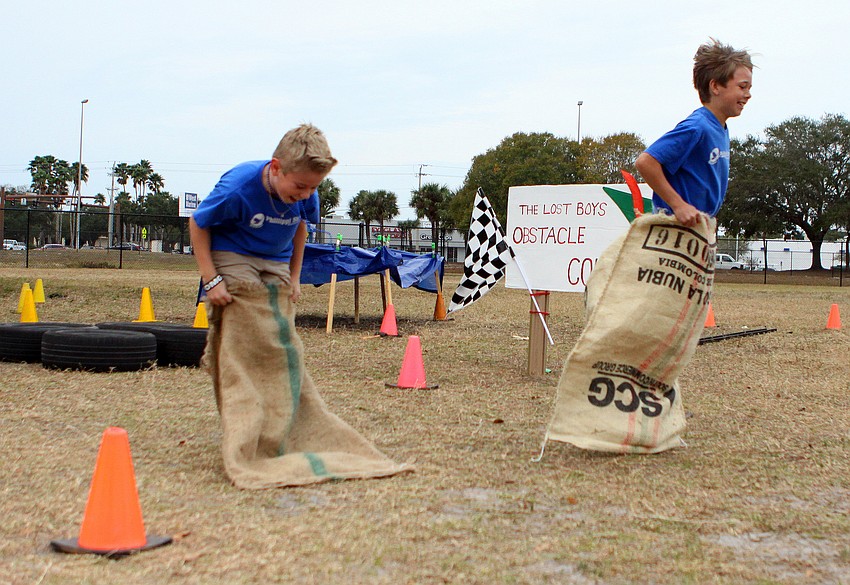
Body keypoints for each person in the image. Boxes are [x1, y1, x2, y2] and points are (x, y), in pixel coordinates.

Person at [189, 124, 337, 305]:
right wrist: (211, 279)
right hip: (235, 252)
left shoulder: (306, 194)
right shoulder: (237, 187)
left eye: (313, 187)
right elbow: (197, 222)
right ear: (276, 167)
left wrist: (294, 276)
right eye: (300, 186)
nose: (306, 194)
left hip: (277, 258)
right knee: (248, 313)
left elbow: (300, 226)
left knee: (279, 324)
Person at [635, 39, 753, 227]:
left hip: (697, 230)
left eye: (749, 88)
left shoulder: (720, 128)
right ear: (715, 87)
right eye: (742, 87)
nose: (748, 94)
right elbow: (646, 162)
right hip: (674, 229)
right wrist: (679, 205)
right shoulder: (698, 126)